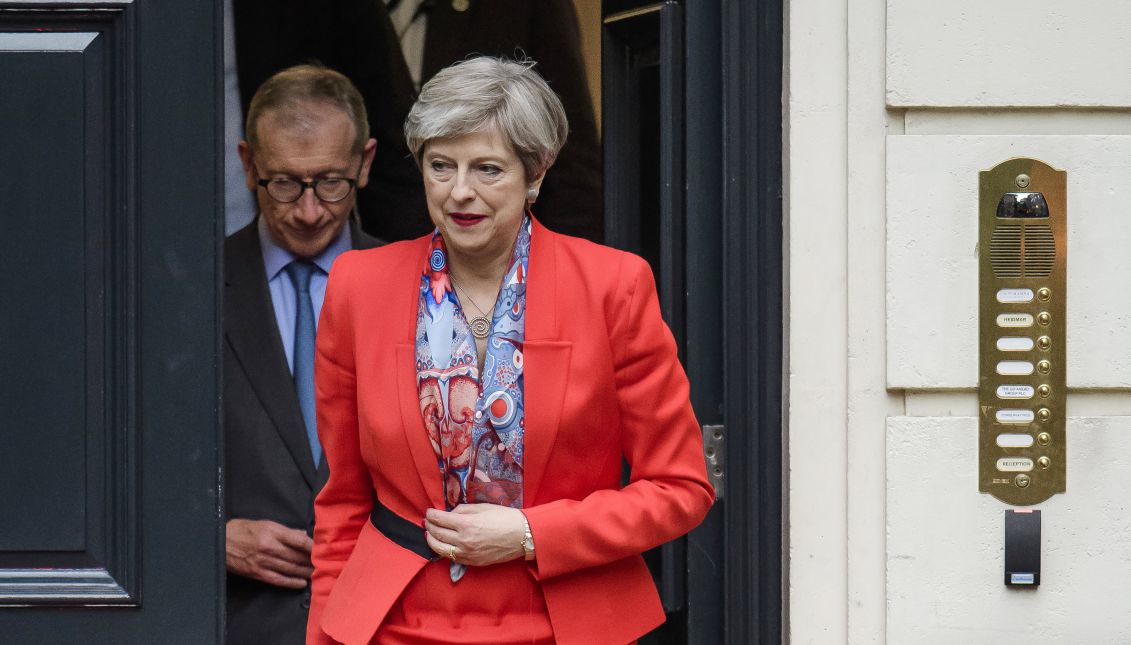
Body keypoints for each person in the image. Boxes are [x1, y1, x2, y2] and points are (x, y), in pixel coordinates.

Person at [306, 57, 713, 645]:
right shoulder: (357, 287)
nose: (460, 192)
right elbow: (342, 502)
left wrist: (531, 533)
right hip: (395, 622)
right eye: (440, 166)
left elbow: (681, 489)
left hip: (567, 622)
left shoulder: (613, 287)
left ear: (537, 172)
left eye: (488, 169)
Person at [223, 64, 383, 644]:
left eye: (330, 182)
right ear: (247, 165)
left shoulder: (419, 288)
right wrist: (212, 538)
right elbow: (126, 471)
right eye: (284, 183)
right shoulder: (187, 290)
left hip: (387, 622)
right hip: (238, 624)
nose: (309, 211)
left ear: (365, 163)